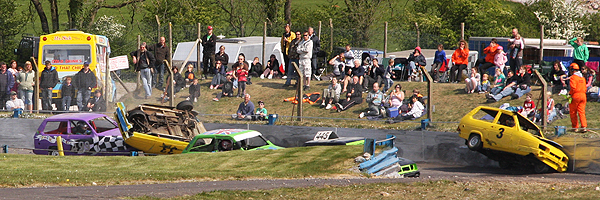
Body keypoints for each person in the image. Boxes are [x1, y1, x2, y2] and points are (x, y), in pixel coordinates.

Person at [568, 63, 587, 132]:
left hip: (576, 95)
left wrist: (570, 94)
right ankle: (583, 127)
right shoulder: (582, 78)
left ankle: (575, 127)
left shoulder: (573, 77)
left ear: (572, 70)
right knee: (581, 112)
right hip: (583, 96)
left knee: (573, 112)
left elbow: (573, 88)